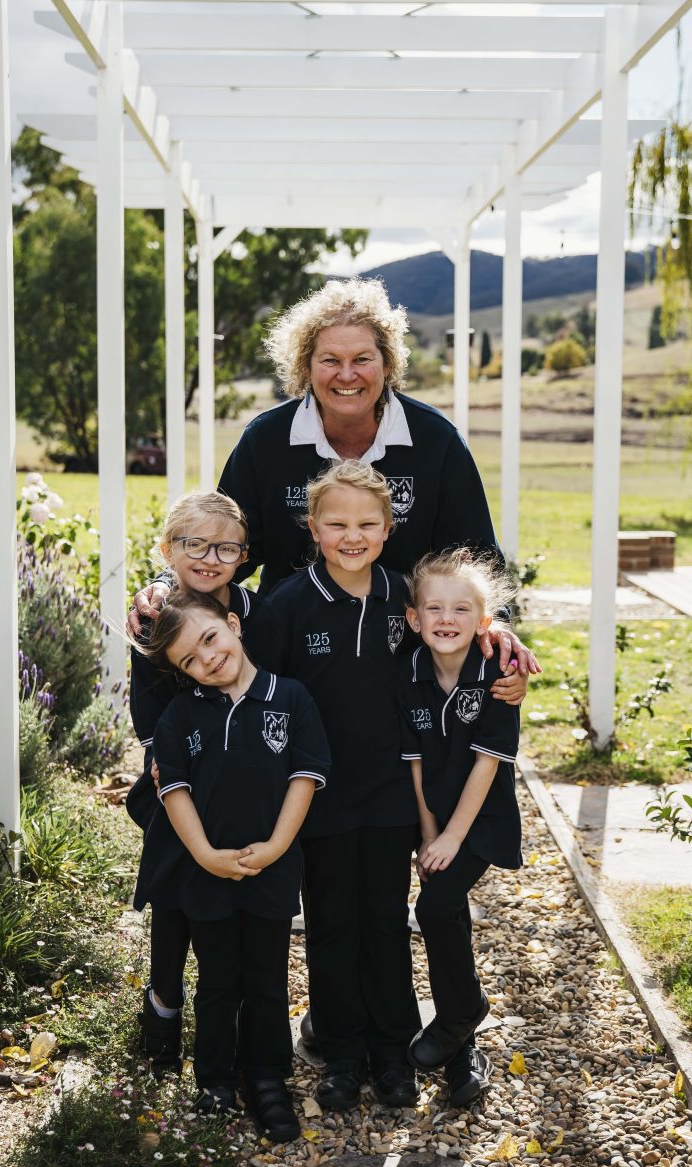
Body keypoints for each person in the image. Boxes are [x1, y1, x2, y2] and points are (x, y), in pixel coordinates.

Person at [128, 277, 539, 695]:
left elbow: (477, 557)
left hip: (409, 658)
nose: (347, 375)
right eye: (329, 360)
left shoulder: (436, 442)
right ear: (305, 366)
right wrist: (166, 584)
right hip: (291, 655)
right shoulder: (266, 441)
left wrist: (497, 625)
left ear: (388, 363)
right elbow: (222, 539)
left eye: (362, 358)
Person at [266, 461, 495, 1112]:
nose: (352, 535)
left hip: (394, 794)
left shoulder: (405, 599)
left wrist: (503, 650)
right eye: (336, 523)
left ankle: (393, 1049)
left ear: (389, 529)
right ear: (313, 528)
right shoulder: (289, 605)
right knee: (332, 923)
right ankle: (342, 1052)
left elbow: (462, 640)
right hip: (320, 797)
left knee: (387, 922)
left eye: (367, 523)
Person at [133, 591, 330, 1141]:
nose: (208, 659)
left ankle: (267, 1078)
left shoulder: (290, 699)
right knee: (218, 981)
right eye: (189, 660)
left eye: (210, 639)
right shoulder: (181, 714)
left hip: (272, 866)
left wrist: (274, 847)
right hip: (206, 872)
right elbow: (173, 790)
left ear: (234, 625)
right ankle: (215, 1080)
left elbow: (305, 778)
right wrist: (204, 855)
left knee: (266, 980)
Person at [127, 492, 277, 1078]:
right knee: (175, 891)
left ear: (244, 555)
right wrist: (166, 760)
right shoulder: (155, 614)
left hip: (244, 777)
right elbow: (147, 707)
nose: (210, 558)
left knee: (231, 894)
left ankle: (233, 1013)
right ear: (168, 549)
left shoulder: (255, 613)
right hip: (176, 773)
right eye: (194, 544)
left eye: (226, 547)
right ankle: (163, 1003)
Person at [397, 549, 522, 1108]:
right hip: (438, 817)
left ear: (484, 620)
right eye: (435, 608)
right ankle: (462, 1040)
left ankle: (459, 1015)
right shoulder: (410, 672)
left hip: (481, 820)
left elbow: (486, 764)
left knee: (433, 906)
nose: (447, 619)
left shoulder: (499, 674)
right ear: (414, 618)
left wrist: (450, 839)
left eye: (462, 609)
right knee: (440, 907)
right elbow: (416, 763)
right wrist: (428, 834)